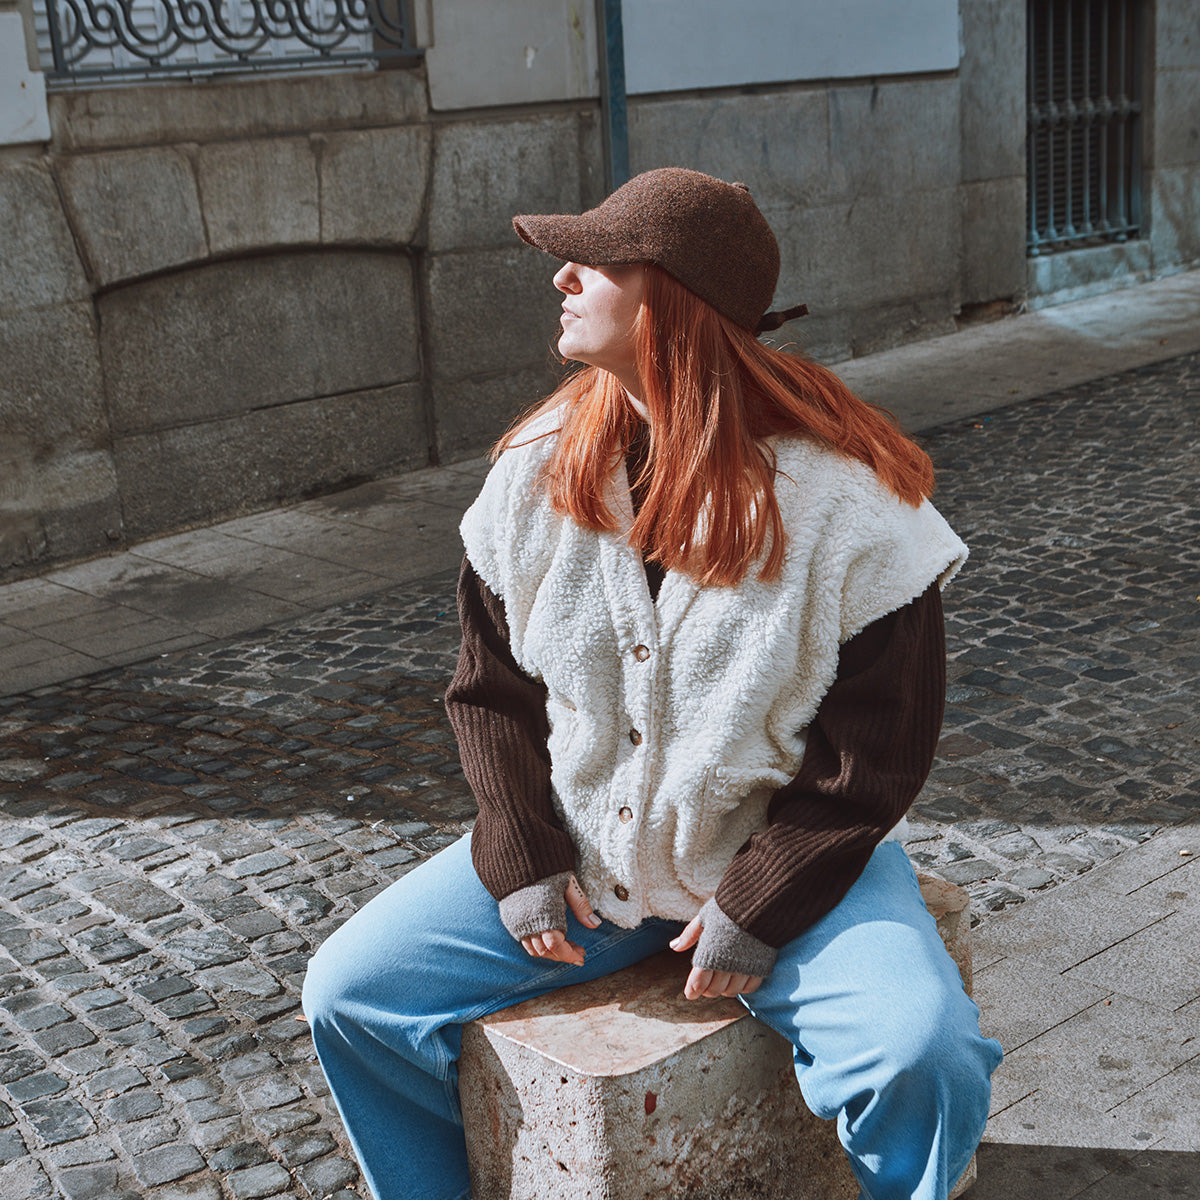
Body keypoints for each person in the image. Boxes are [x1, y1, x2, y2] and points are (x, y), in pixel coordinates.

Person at [302, 167, 1003, 1200]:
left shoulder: (851, 508)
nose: (563, 278)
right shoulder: (535, 471)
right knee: (351, 993)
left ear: (674, 300)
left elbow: (874, 762)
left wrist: (759, 907)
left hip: (792, 865)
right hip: (584, 857)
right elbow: (488, 692)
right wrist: (521, 849)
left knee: (921, 1053)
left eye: (594, 261)